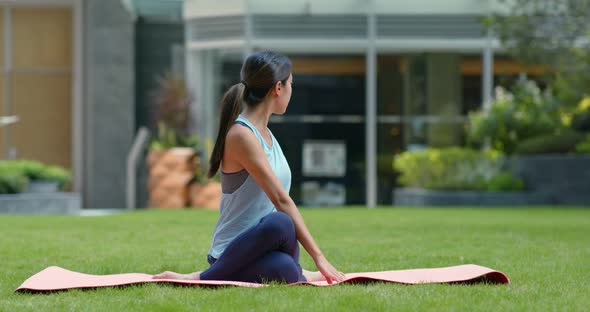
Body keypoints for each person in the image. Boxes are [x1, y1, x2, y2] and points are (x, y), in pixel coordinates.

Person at [153, 51, 345, 284]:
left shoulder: (268, 137)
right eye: (290, 84)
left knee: (287, 265)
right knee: (281, 223)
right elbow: (281, 200)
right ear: (277, 88)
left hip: (266, 249)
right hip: (233, 253)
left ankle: (298, 272)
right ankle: (201, 278)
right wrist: (320, 258)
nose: (291, 91)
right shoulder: (242, 135)